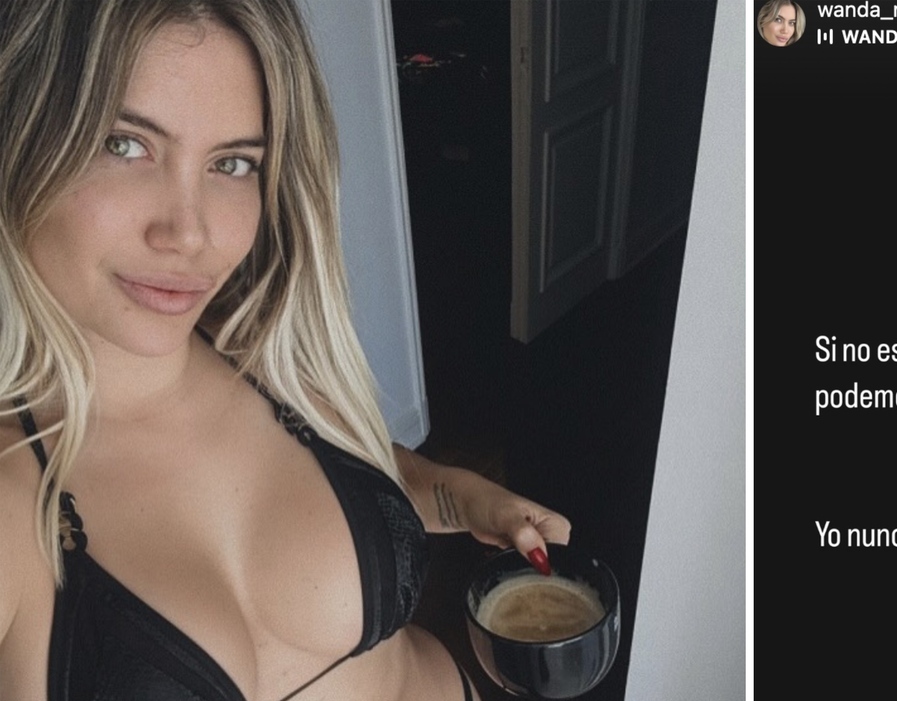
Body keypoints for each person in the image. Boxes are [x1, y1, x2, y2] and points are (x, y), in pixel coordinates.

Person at [0, 1, 570, 699]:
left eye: (232, 163)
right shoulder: (11, 495)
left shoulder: (260, 348)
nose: (190, 233)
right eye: (123, 144)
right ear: (21, 138)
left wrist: (461, 499)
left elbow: (351, 471)